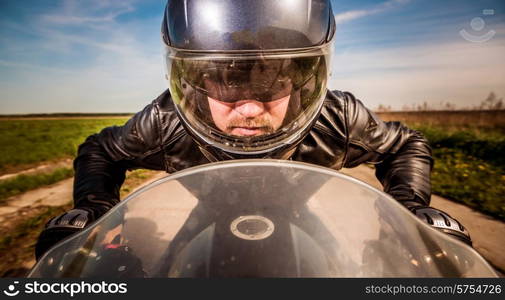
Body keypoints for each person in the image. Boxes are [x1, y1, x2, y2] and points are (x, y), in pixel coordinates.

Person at [35, 0, 471, 260]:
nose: (247, 106)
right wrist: (93, 211)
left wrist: (409, 214)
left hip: (301, 216)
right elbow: (102, 150)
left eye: (272, 81)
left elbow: (405, 144)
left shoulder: (338, 115)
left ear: (307, 78)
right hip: (204, 219)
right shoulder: (167, 119)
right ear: (192, 81)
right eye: (223, 82)